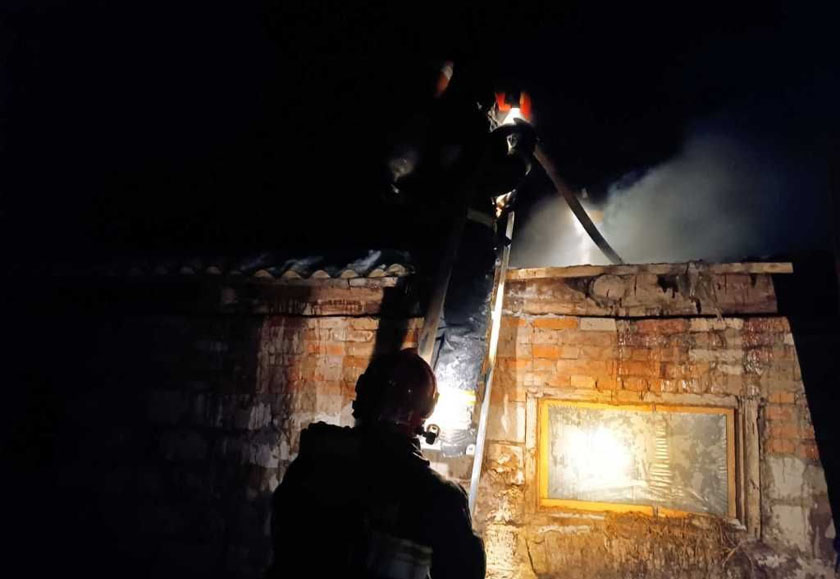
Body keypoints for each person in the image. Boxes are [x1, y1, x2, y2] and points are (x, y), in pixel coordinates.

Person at [267, 348, 486, 579]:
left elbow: (282, 546)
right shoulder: (441, 498)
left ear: (363, 397)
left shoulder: (314, 463)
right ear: (426, 410)